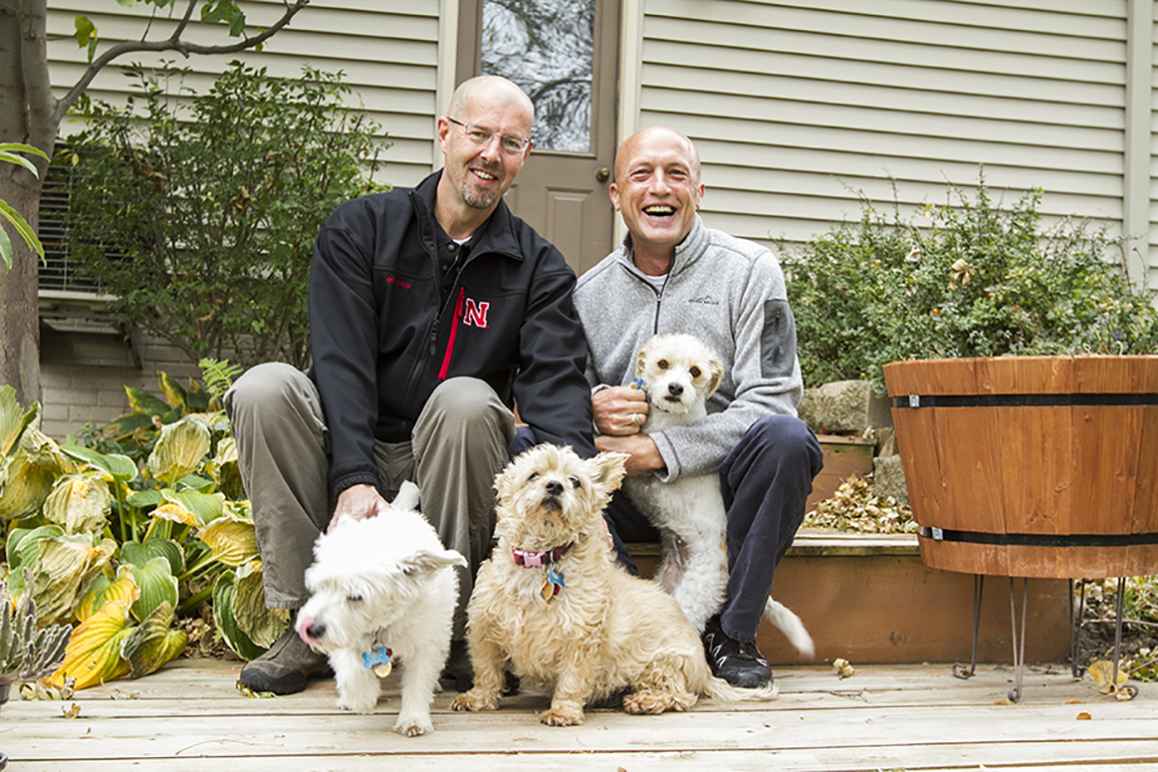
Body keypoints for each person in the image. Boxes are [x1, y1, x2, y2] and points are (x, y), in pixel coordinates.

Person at [225, 75, 595, 695]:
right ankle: (306, 623)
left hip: (447, 458)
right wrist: (352, 475)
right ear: (445, 133)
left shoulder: (538, 269)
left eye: (509, 143)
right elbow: (339, 360)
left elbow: (557, 385)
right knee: (265, 388)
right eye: (478, 134)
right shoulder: (362, 229)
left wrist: (584, 501)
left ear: (524, 158)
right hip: (349, 437)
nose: (490, 154)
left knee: (469, 399)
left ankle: (454, 633)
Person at [573, 127, 823, 689]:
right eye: (641, 174)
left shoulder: (752, 271)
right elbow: (562, 395)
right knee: (539, 450)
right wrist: (593, 407)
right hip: (627, 492)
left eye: (676, 174)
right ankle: (618, 628)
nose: (659, 188)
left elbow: (775, 397)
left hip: (725, 485)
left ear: (699, 190)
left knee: (787, 439)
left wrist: (660, 450)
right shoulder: (588, 294)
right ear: (616, 194)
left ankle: (730, 632)